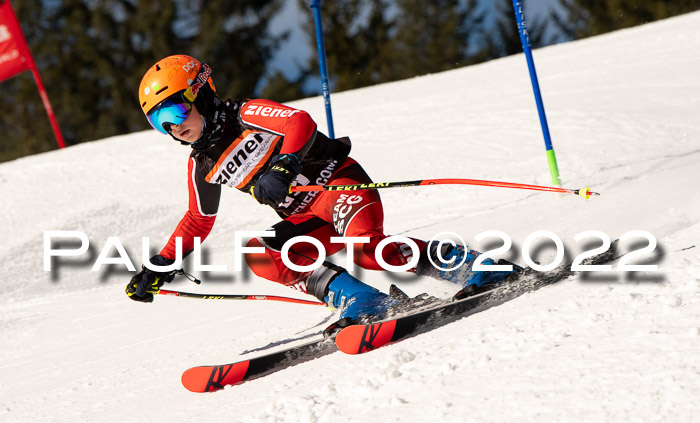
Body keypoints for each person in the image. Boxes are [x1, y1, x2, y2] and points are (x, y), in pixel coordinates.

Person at [125, 55, 515, 327]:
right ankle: (363, 301)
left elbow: (298, 121)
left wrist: (286, 162)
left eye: (175, 111)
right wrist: (159, 265)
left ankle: (479, 266)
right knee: (260, 256)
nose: (173, 127)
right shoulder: (202, 165)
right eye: (160, 122)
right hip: (306, 217)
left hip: (338, 182)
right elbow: (197, 220)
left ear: (201, 93)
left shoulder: (244, 114)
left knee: (369, 250)